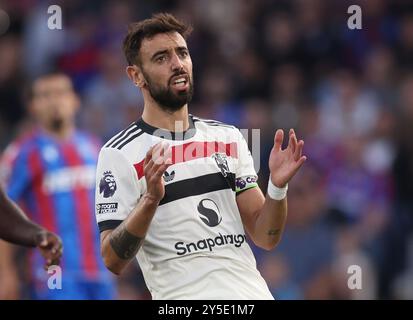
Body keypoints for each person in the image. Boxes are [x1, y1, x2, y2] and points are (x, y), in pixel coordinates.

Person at [96, 13, 306, 299]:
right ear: (136, 76)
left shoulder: (228, 137)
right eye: (161, 58)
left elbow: (265, 236)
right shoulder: (119, 154)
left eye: (182, 53)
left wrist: (277, 189)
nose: (177, 64)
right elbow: (112, 259)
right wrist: (149, 201)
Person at [0, 72, 115, 300]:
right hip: (55, 271)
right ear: (33, 106)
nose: (55, 101)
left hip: (100, 271)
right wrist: (6, 273)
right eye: (45, 95)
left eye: (61, 93)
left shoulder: (94, 147)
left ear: (75, 101)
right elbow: (3, 214)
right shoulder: (22, 153)